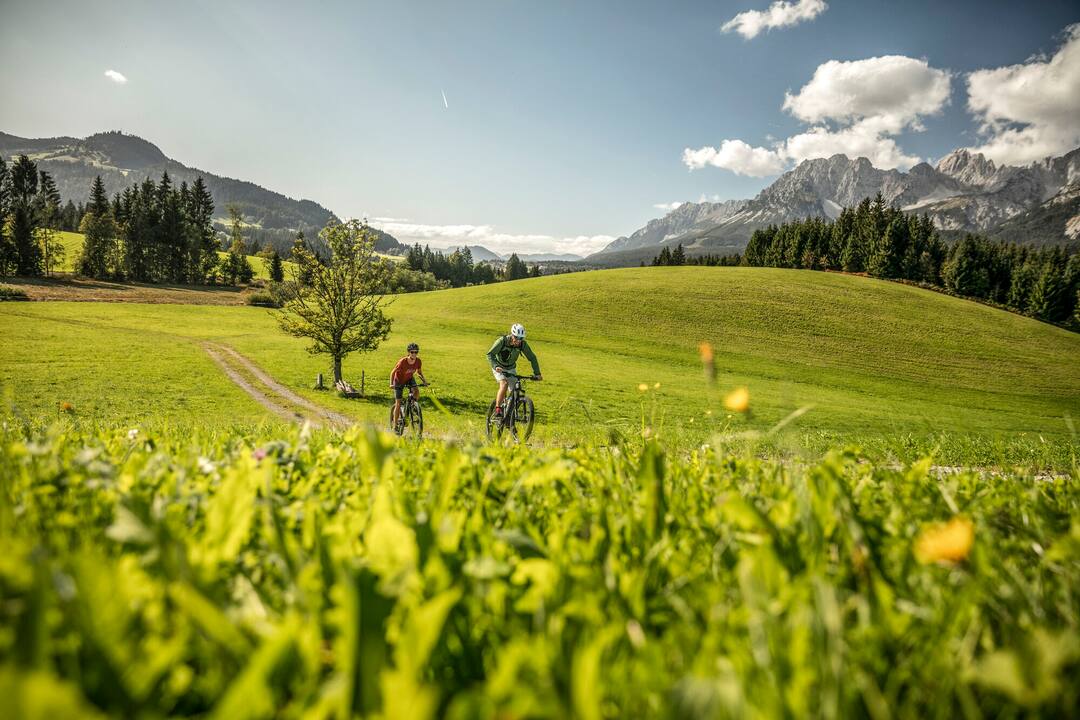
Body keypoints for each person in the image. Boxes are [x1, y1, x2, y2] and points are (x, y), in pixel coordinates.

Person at [487, 323, 541, 417]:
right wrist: (495, 366)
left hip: (511, 369)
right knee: (504, 384)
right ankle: (498, 409)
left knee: (515, 392)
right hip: (499, 368)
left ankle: (509, 418)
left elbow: (532, 357)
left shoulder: (522, 345)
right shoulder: (502, 341)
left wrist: (537, 373)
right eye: (516, 337)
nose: (518, 340)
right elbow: (490, 354)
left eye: (521, 338)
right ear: (512, 335)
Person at [390, 342, 427, 428]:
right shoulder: (403, 361)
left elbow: (419, 372)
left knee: (416, 391)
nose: (414, 354)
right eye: (412, 352)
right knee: (398, 403)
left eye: (416, 352)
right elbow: (393, 372)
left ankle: (413, 406)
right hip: (398, 381)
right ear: (409, 352)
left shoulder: (418, 361)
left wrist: (424, 381)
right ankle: (395, 425)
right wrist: (391, 384)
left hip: (409, 378)